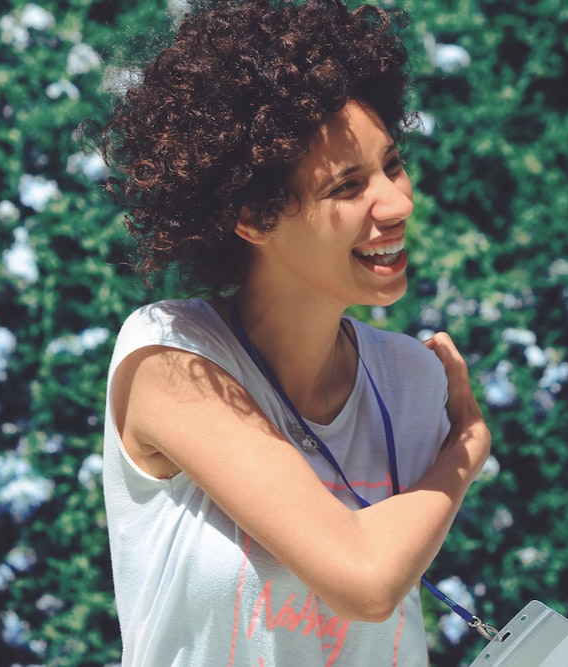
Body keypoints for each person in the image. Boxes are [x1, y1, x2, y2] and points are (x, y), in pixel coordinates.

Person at [96, 1, 491, 664]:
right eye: (347, 186)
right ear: (254, 215)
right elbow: (364, 579)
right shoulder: (169, 359)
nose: (397, 203)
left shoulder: (413, 380)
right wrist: (468, 448)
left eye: (392, 165)